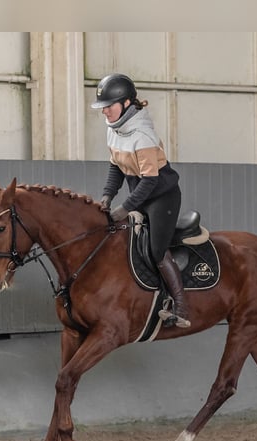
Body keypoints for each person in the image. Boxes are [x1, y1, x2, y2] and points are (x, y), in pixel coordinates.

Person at [91, 73, 190, 329]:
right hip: (142, 195)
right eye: (102, 108)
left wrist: (124, 208)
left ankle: (180, 305)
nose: (105, 113)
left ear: (125, 104)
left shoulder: (142, 135)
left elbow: (149, 181)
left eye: (108, 106)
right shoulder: (114, 131)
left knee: (156, 251)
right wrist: (107, 195)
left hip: (161, 196)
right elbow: (116, 168)